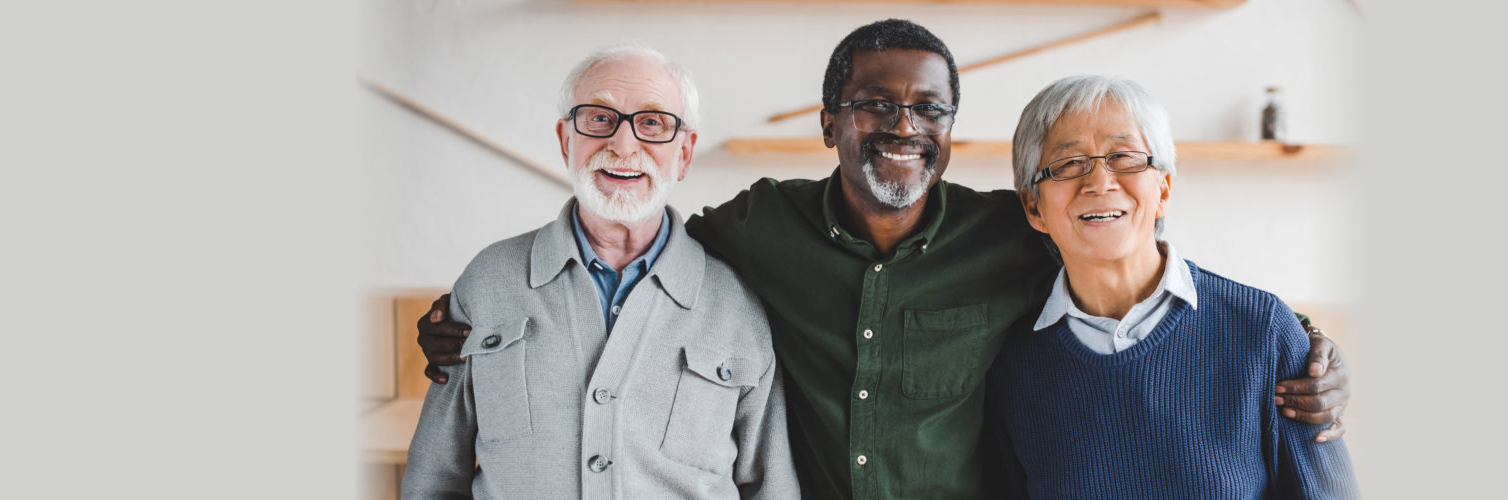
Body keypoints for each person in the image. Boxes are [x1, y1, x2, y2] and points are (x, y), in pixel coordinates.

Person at [415, 20, 1351, 498]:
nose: (901, 127)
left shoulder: (1012, 236)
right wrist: (474, 317)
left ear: (951, 129)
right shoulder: (754, 228)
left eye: (929, 110)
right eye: (873, 105)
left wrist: (1303, 347)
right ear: (831, 121)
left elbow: (1128, 256)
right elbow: (638, 241)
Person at [400, 46, 798, 499]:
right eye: (598, 118)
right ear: (566, 140)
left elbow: (771, 487)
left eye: (652, 123)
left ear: (684, 153)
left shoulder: (736, 303)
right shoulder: (488, 281)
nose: (623, 145)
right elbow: (433, 477)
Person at [986, 75, 1358, 498]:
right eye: (1069, 164)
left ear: (1163, 188)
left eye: (1124, 157)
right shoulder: (1012, 365)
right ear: (1034, 206)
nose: (1099, 182)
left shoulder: (1264, 332)